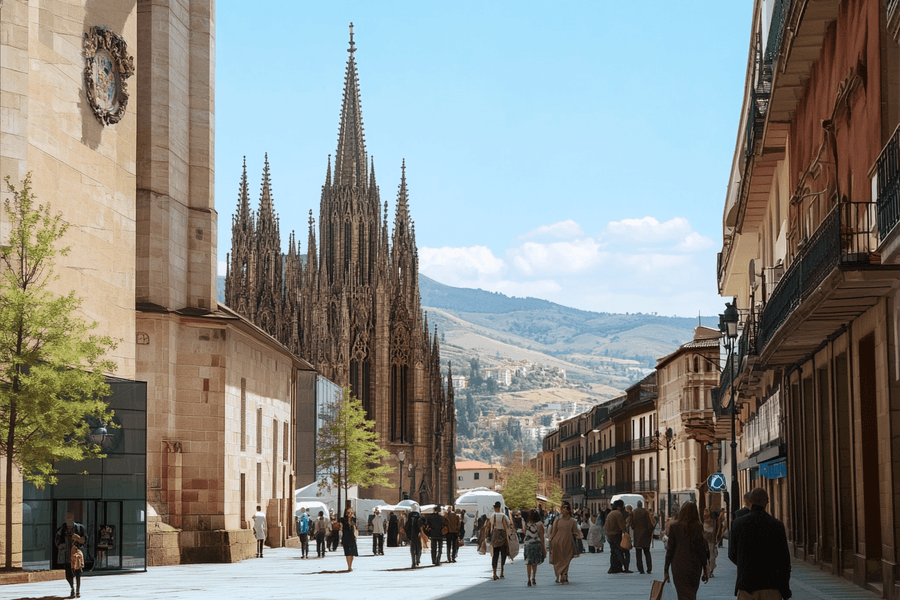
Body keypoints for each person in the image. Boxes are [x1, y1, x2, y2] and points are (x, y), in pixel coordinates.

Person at [729, 487, 792, 600]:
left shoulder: (738, 524)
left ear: (750, 501)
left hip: (746, 585)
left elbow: (731, 554)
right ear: (767, 501)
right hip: (771, 585)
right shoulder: (777, 525)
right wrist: (785, 589)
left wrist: (746, 566)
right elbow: (784, 561)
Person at [663, 502, 709, 600]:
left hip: (678, 565)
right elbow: (701, 549)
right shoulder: (698, 526)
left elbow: (670, 550)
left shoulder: (674, 527)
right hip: (694, 566)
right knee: (692, 594)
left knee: (682, 594)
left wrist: (666, 569)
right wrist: (705, 568)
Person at [548, 501, 581, 585]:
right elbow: (554, 531)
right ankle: (559, 574)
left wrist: (580, 539)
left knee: (566, 559)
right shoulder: (557, 520)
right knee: (558, 560)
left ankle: (564, 574)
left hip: (568, 542)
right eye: (563, 507)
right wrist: (550, 540)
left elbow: (575, 532)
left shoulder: (572, 521)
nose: (565, 509)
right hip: (557, 542)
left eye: (567, 508)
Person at [55, 511, 86, 599]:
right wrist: (61, 546)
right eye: (67, 517)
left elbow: (85, 539)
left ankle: (78, 590)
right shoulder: (62, 528)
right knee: (68, 573)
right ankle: (72, 588)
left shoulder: (79, 528)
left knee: (78, 572)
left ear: (73, 518)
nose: (68, 519)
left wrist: (79, 539)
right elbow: (57, 539)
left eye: (70, 517)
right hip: (66, 554)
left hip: (76, 553)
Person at [486, 501, 511, 580]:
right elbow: (508, 525)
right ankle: (502, 572)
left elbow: (490, 526)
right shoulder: (504, 516)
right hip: (503, 536)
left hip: (495, 536)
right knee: (503, 554)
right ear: (500, 507)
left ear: (494, 508)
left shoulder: (492, 516)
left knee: (495, 555)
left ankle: (494, 573)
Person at [605, 499, 631, 574]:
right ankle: (624, 567)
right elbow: (621, 525)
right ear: (619, 507)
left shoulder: (610, 513)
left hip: (609, 535)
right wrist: (625, 532)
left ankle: (614, 567)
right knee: (623, 551)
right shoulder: (618, 514)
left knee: (613, 552)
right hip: (616, 534)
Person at [629, 500, 654, 574]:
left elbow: (632, 524)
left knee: (638, 553)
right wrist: (650, 531)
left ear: (637, 505)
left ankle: (640, 569)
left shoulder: (634, 512)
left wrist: (635, 529)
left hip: (637, 535)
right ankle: (649, 568)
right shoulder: (645, 512)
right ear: (642, 505)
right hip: (645, 534)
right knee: (647, 552)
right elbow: (649, 523)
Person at [522, 508, 546, 587]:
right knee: (534, 563)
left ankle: (528, 579)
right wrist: (544, 549)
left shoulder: (527, 523)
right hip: (536, 545)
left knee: (528, 563)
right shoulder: (539, 524)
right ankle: (533, 578)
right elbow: (542, 537)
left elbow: (524, 533)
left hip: (527, 545)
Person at [339, 507, 358, 571]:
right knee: (347, 552)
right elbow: (340, 527)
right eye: (348, 512)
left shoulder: (353, 519)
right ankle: (349, 566)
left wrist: (350, 518)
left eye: (350, 512)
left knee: (352, 552)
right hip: (345, 536)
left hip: (352, 536)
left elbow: (352, 525)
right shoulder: (342, 519)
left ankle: (351, 565)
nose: (349, 513)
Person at [702, 507, 718, 577]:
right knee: (711, 556)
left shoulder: (702, 523)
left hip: (706, 542)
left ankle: (707, 570)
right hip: (710, 542)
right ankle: (710, 570)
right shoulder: (713, 523)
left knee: (707, 556)